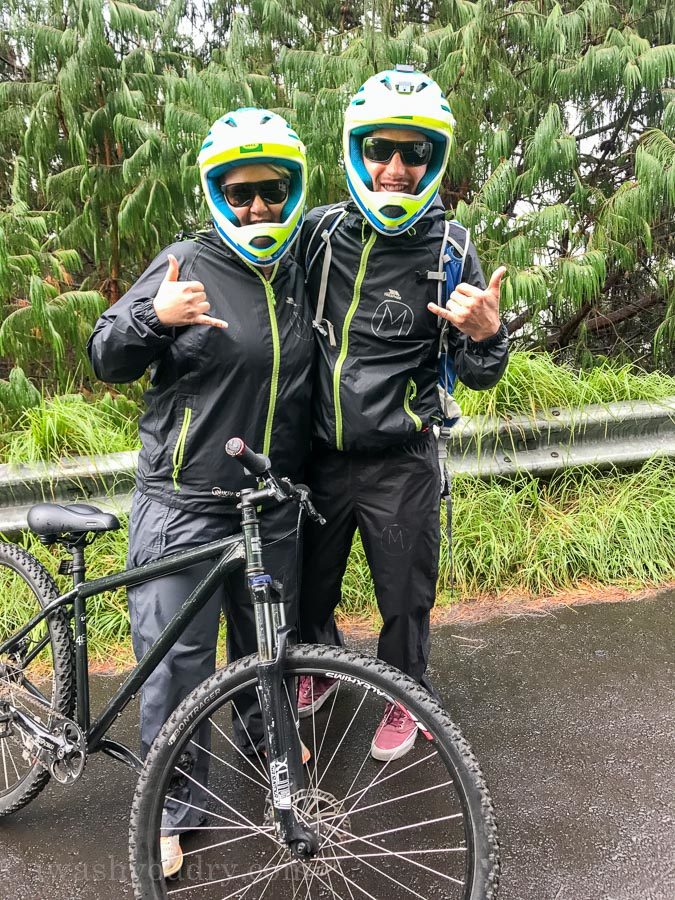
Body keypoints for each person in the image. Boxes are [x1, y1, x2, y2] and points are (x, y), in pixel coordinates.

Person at [87, 108, 313, 876]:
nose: (257, 208)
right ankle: (173, 809)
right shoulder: (187, 259)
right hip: (183, 503)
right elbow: (104, 353)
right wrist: (153, 319)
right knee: (179, 667)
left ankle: (272, 757)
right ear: (216, 191)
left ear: (292, 193)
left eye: (272, 193)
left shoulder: (296, 271)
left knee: (269, 646)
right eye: (239, 192)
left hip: (266, 503)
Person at [297, 66, 509, 762]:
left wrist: (484, 333)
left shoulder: (450, 247)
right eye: (378, 150)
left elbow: (478, 373)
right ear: (355, 151)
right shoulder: (320, 234)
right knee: (308, 582)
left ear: (433, 159)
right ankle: (322, 666)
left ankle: (404, 693)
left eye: (412, 153)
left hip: (403, 456)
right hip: (320, 452)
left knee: (403, 596)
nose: (393, 168)